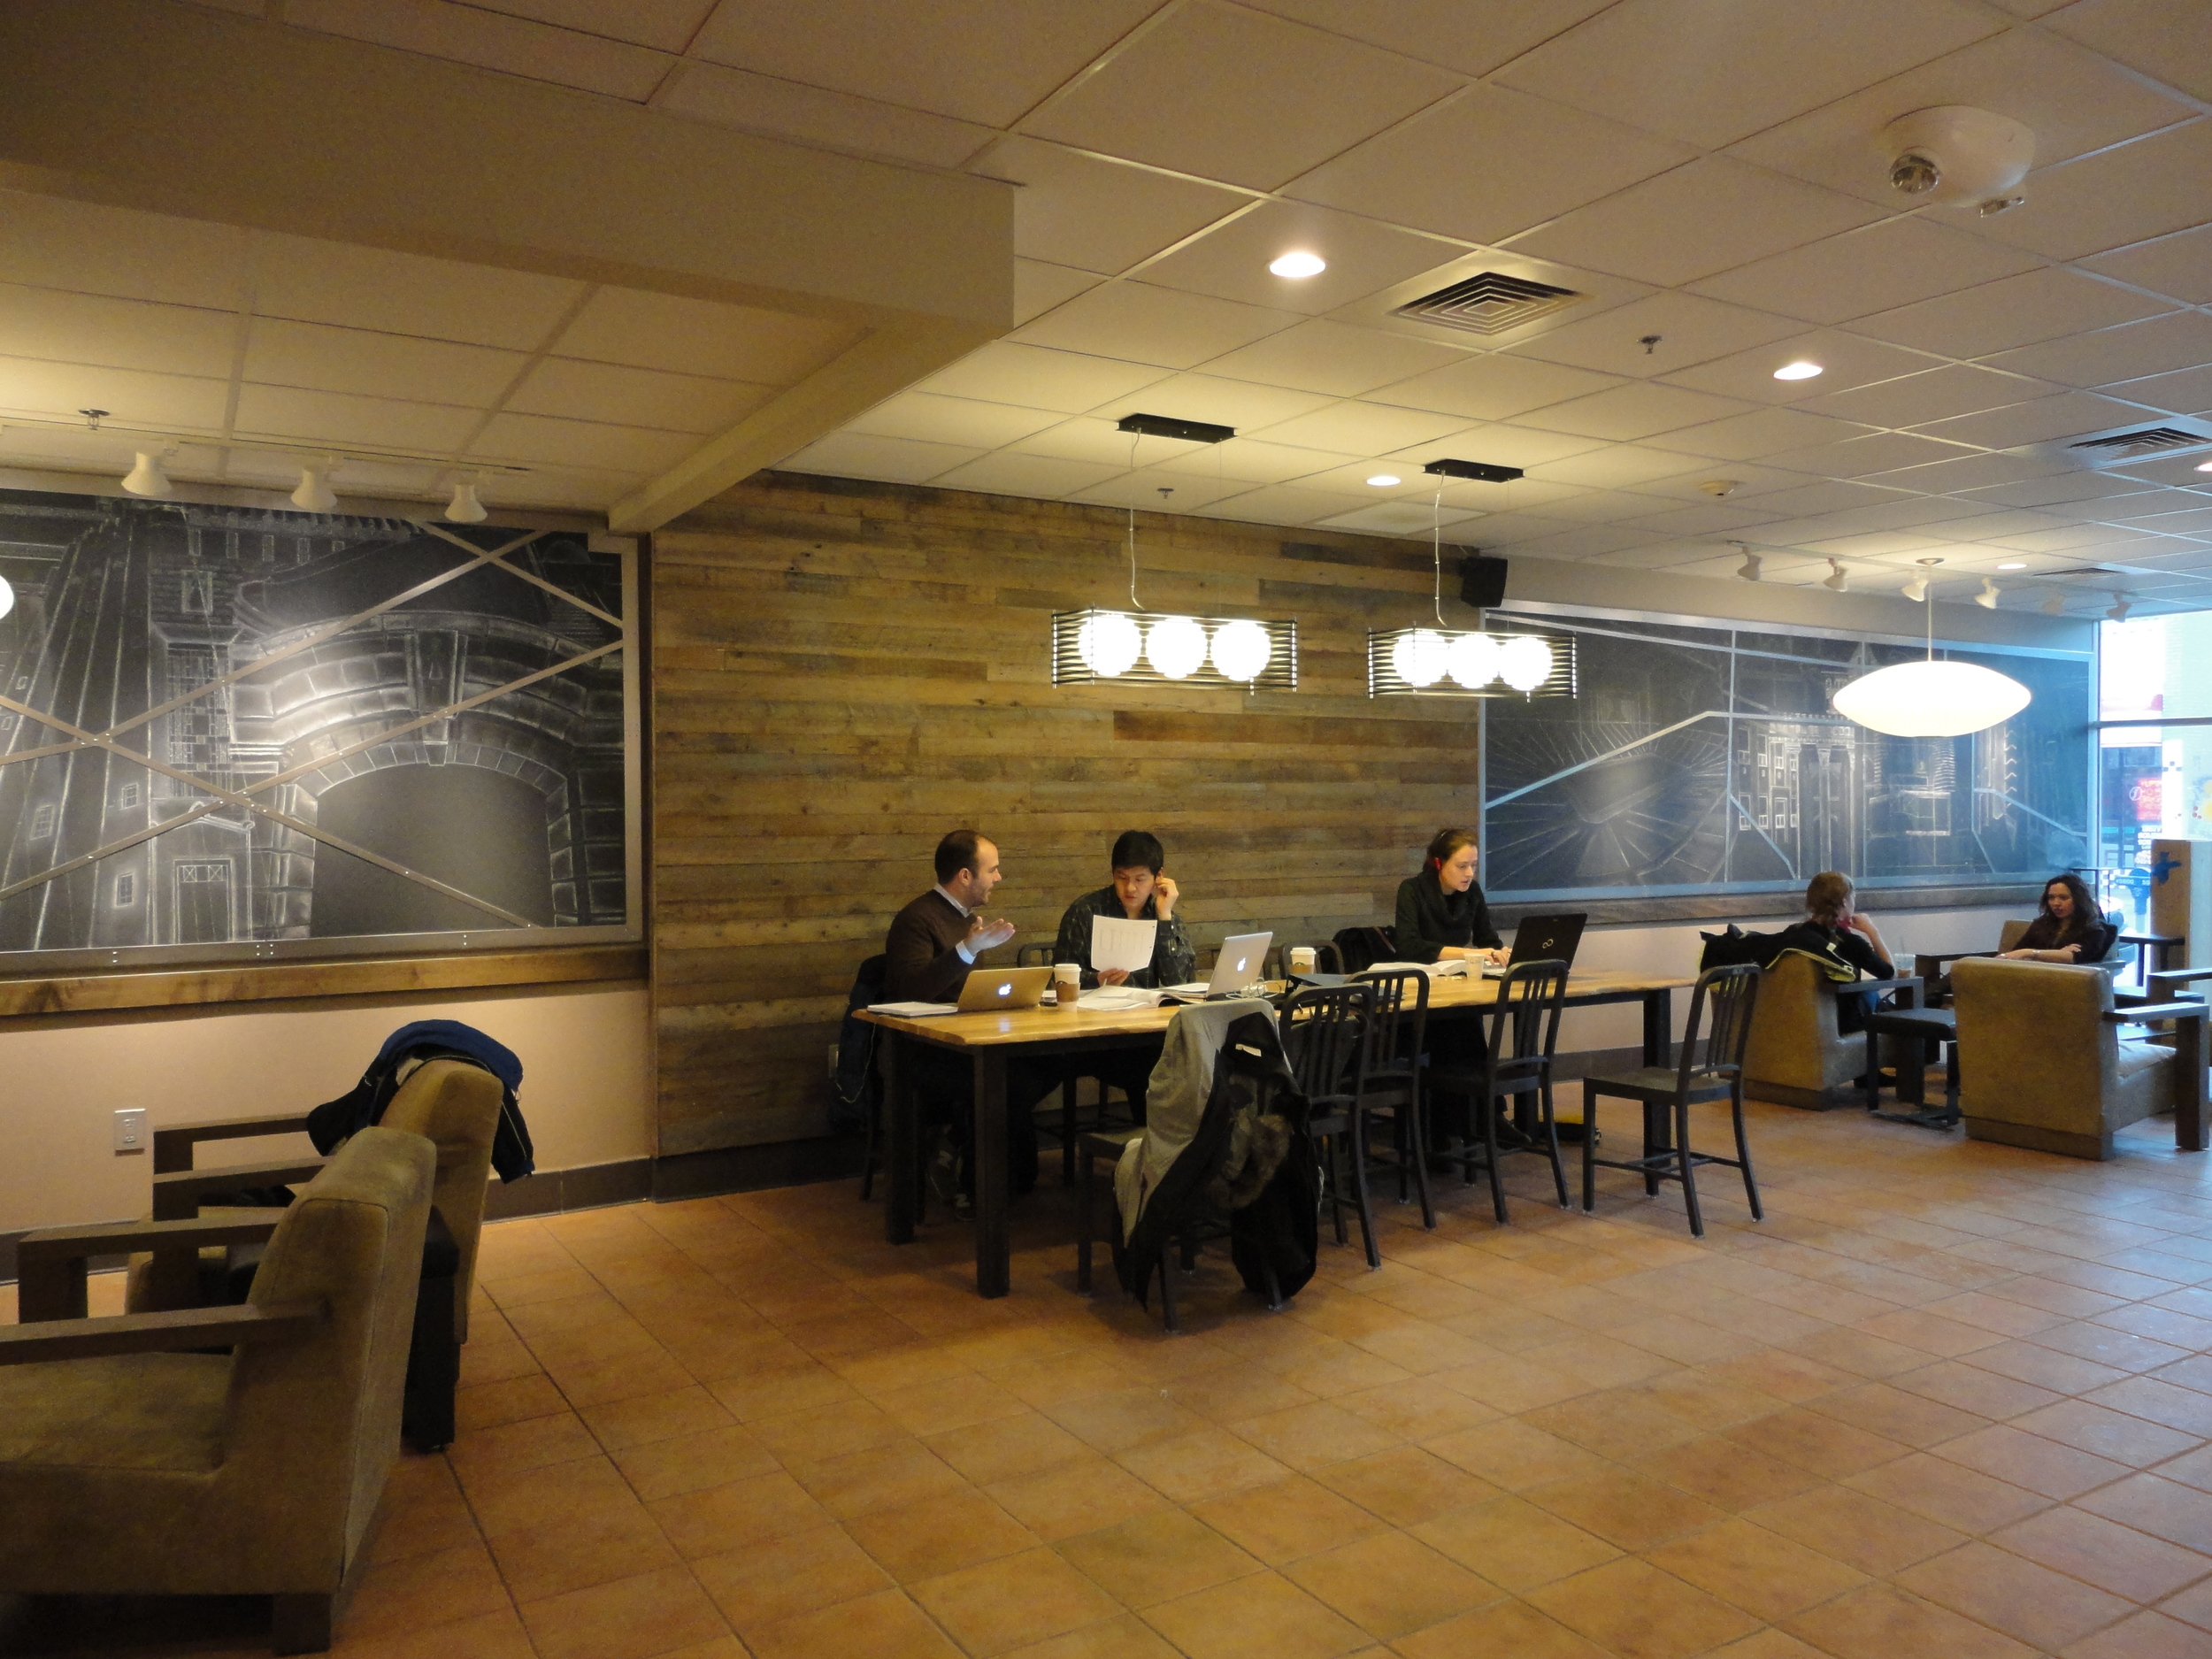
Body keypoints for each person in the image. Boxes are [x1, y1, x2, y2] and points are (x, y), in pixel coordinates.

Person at [882, 830, 1044, 1204]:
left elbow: (963, 991)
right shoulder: (916, 919)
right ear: (965, 876)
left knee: (1043, 1066)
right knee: (1011, 1082)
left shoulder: (967, 919)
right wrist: (968, 948)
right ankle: (981, 1186)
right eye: (993, 869)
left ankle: (974, 1156)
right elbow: (912, 990)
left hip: (968, 1040)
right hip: (926, 1050)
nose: (999, 877)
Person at [1049, 829, 1194, 1120]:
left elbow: (1179, 983)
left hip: (1151, 1031)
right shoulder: (1086, 911)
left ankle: (1171, 1146)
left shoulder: (1164, 914)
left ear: (1159, 877)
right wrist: (1096, 980)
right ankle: (1154, 1147)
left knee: (1183, 1058)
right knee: (1156, 1068)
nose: (1130, 888)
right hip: (1099, 1036)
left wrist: (1164, 918)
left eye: (1140, 879)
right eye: (1121, 877)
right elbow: (1060, 979)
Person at [1794, 870, 1893, 1036]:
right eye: (1853, 897)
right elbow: (1888, 972)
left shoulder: (1796, 936)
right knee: (1880, 1000)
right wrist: (1872, 931)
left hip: (1804, 1023)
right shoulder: (1849, 942)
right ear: (1845, 902)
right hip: (1845, 1023)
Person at [1394, 827, 1507, 967]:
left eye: (1473, 865)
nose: (1470, 873)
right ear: (1439, 863)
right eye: (1462, 866)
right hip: (1417, 975)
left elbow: (1487, 939)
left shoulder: (1473, 891)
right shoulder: (1412, 890)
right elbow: (1409, 946)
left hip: (1455, 974)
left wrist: (1500, 953)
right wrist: (1469, 954)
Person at [2000, 872, 2112, 964]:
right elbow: (2016, 954)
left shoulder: (2094, 929)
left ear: (2079, 900)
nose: (2056, 903)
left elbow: (2073, 958)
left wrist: (2032, 953)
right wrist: (2057, 954)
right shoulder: (2042, 924)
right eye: (2051, 898)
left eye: (2063, 898)